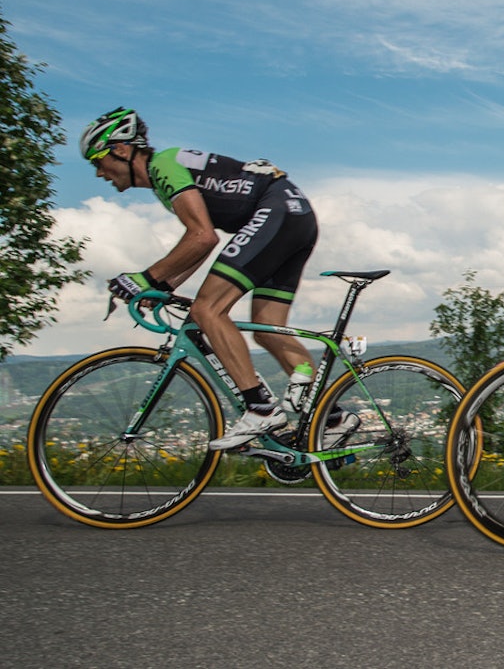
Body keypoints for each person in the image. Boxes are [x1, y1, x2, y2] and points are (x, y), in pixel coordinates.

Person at [81, 107, 356, 450]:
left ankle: (261, 409)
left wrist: (145, 277)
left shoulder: (162, 166)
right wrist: (164, 285)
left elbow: (202, 237)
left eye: (97, 161)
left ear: (122, 149)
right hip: (295, 215)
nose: (98, 173)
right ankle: (334, 418)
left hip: (276, 212)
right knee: (267, 329)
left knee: (207, 310)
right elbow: (200, 244)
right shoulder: (165, 172)